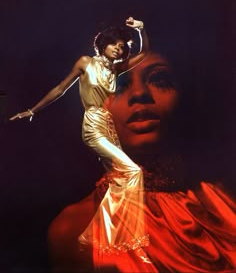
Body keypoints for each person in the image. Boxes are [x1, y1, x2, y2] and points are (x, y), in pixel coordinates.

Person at [48, 51, 236, 273]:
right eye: (116, 85)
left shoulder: (227, 201)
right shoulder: (75, 229)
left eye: (159, 80)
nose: (139, 93)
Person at [10, 17, 156, 270]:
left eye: (122, 46)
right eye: (114, 44)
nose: (118, 49)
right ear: (103, 44)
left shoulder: (116, 70)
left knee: (117, 179)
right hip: (93, 125)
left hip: (110, 127)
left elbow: (146, 53)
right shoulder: (85, 62)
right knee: (133, 172)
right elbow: (60, 88)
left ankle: (107, 246)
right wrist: (33, 109)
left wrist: (142, 30)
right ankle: (116, 240)